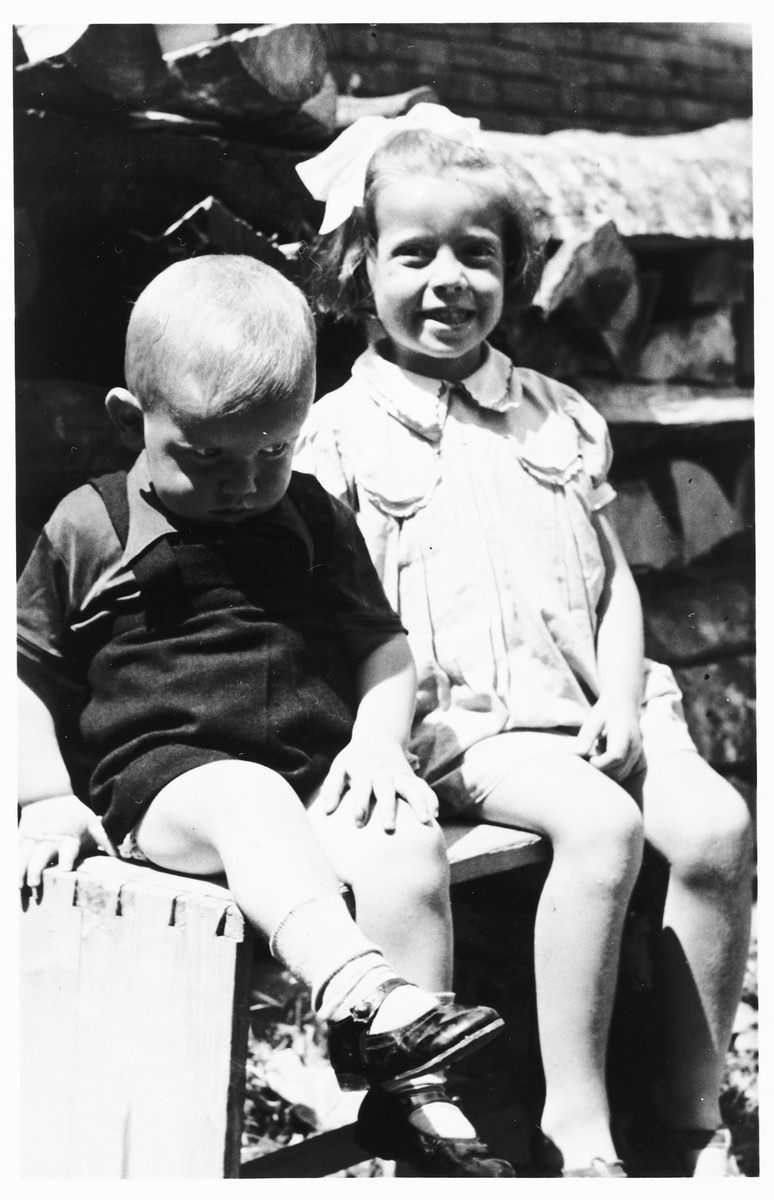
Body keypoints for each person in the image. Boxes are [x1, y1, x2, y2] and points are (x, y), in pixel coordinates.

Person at [293, 104, 755, 1178]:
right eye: (415, 253)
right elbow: (331, 613)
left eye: (479, 255)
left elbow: (615, 583)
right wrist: (377, 735)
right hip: (472, 730)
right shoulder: (338, 437)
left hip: (598, 707)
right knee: (598, 827)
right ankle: (577, 1127)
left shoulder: (558, 414)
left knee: (720, 825)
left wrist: (621, 691)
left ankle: (692, 1118)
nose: (449, 279)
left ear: (515, 269)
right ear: (361, 266)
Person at [16, 254, 515, 1178]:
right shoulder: (92, 525)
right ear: (132, 421)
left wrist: (376, 742)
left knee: (406, 844)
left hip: (311, 775)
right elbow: (22, 674)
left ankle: (411, 1088)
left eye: (273, 453)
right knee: (246, 797)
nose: (245, 485)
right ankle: (361, 995)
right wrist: (45, 795)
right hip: (170, 787)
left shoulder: (312, 517)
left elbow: (383, 643)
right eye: (207, 458)